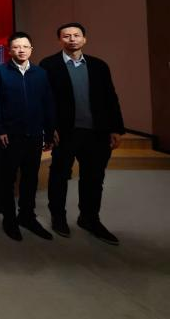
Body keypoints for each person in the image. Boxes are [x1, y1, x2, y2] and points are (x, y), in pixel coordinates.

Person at [40, 22, 124, 245]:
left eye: (76, 35)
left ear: (84, 39)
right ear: (60, 40)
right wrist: (49, 128)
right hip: (65, 132)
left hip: (97, 132)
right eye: (66, 36)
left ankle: (90, 218)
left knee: (94, 178)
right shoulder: (49, 65)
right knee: (59, 175)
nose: (72, 39)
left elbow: (111, 97)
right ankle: (58, 217)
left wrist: (116, 128)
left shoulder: (99, 65)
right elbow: (45, 100)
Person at [0, 31, 56, 242]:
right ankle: (9, 219)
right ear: (9, 50)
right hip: (10, 136)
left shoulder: (40, 73)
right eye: (16, 47)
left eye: (25, 46)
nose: (21, 50)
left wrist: (49, 131)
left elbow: (47, 103)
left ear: (31, 49)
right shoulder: (0, 72)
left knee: (30, 177)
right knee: (7, 179)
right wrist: (0, 129)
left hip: (35, 134)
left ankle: (27, 216)